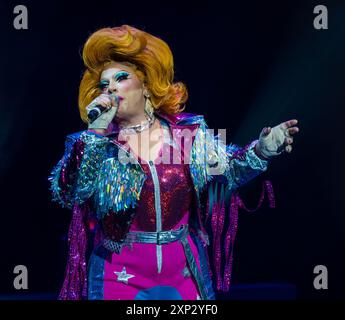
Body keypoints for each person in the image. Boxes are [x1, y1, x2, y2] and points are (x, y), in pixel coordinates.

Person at [49, 25, 299, 300]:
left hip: (182, 271)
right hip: (119, 272)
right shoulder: (93, 144)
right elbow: (68, 192)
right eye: (104, 85)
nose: (110, 89)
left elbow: (229, 171)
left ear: (145, 85)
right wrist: (95, 133)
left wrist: (262, 150)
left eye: (121, 78)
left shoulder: (188, 134)